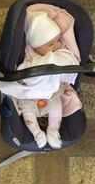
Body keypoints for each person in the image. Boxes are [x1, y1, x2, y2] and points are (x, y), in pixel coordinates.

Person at [16, 11, 80, 149]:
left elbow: (67, 66)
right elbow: (23, 72)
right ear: (36, 47)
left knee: (56, 104)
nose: (57, 46)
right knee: (27, 109)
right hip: (31, 96)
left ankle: (53, 129)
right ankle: (36, 132)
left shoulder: (58, 53)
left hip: (51, 94)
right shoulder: (30, 56)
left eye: (58, 41)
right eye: (51, 44)